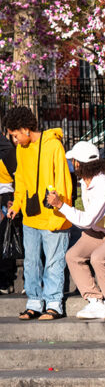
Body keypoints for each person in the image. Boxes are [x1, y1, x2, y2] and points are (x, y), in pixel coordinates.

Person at [48, 141, 105, 320]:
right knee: (73, 256)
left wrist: (60, 205)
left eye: (73, 161)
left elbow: (87, 220)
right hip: (100, 231)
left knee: (98, 257)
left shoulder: (103, 184)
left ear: (79, 164)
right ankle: (95, 301)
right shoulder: (85, 182)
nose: (71, 164)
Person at [4, 107, 72, 320]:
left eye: (15, 134)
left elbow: (62, 179)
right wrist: (16, 204)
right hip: (31, 216)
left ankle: (53, 302)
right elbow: (22, 181)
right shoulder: (21, 150)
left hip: (53, 215)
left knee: (53, 261)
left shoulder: (53, 145)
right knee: (32, 260)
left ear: (25, 128)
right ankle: (34, 300)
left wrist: (59, 210)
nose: (14, 140)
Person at [0, 122, 18, 294]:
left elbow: (16, 173)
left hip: (4, 196)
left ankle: (5, 281)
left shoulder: (6, 150)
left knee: (4, 236)